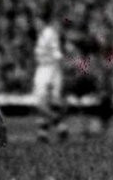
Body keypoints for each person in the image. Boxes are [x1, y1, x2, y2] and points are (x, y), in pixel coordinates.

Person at [32, 9, 68, 142]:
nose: (35, 24)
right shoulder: (43, 34)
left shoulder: (48, 34)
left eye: (37, 21)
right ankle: (43, 134)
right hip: (48, 69)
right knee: (50, 103)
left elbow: (56, 53)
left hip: (48, 69)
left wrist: (57, 70)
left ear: (42, 21)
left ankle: (59, 126)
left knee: (41, 103)